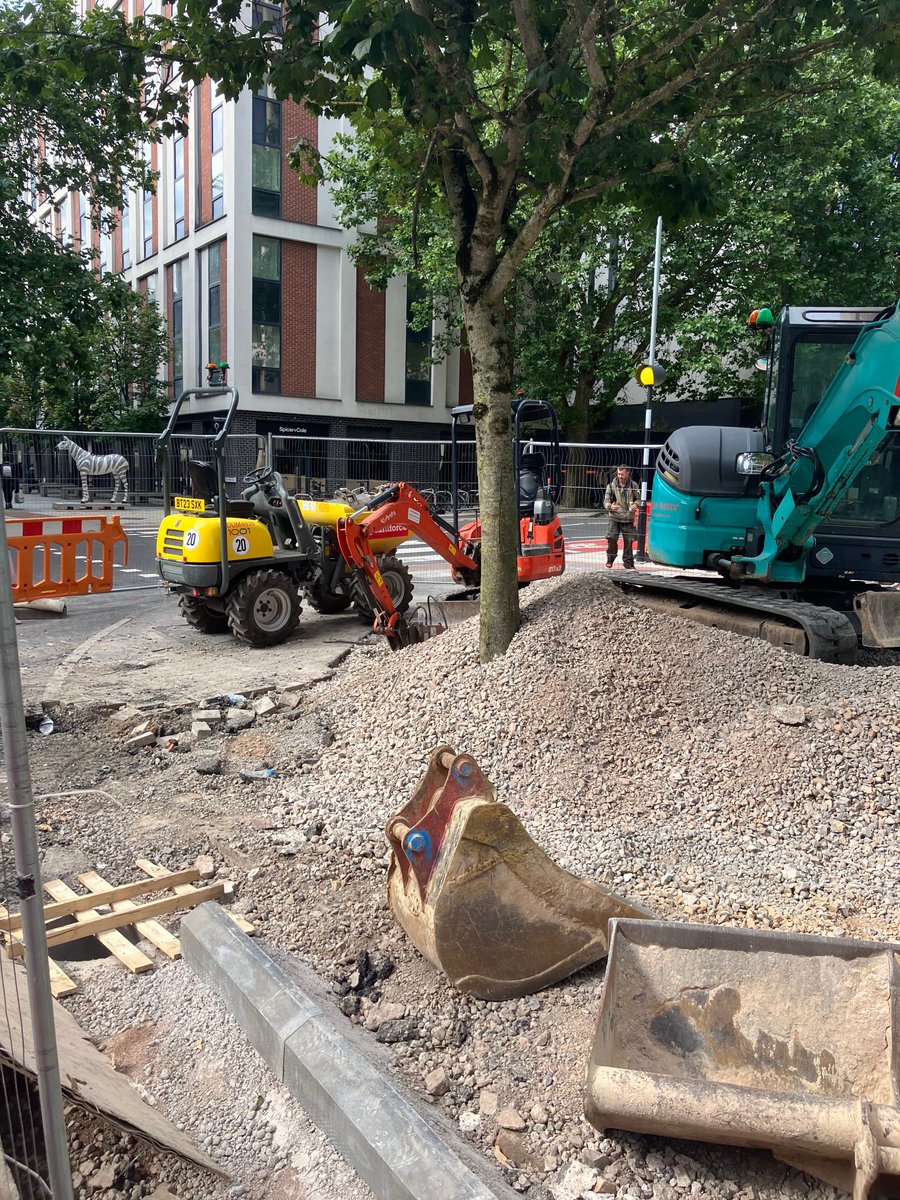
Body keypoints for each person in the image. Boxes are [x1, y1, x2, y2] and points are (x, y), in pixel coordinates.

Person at [604, 464, 640, 569]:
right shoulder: (611, 486)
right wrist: (610, 506)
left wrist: (635, 505)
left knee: (629, 542)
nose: (620, 476)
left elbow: (638, 499)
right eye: (619, 474)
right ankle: (610, 558)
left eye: (622, 474)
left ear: (628, 474)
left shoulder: (634, 485)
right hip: (614, 517)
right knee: (611, 539)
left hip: (628, 518)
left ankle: (628, 563)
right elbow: (606, 501)